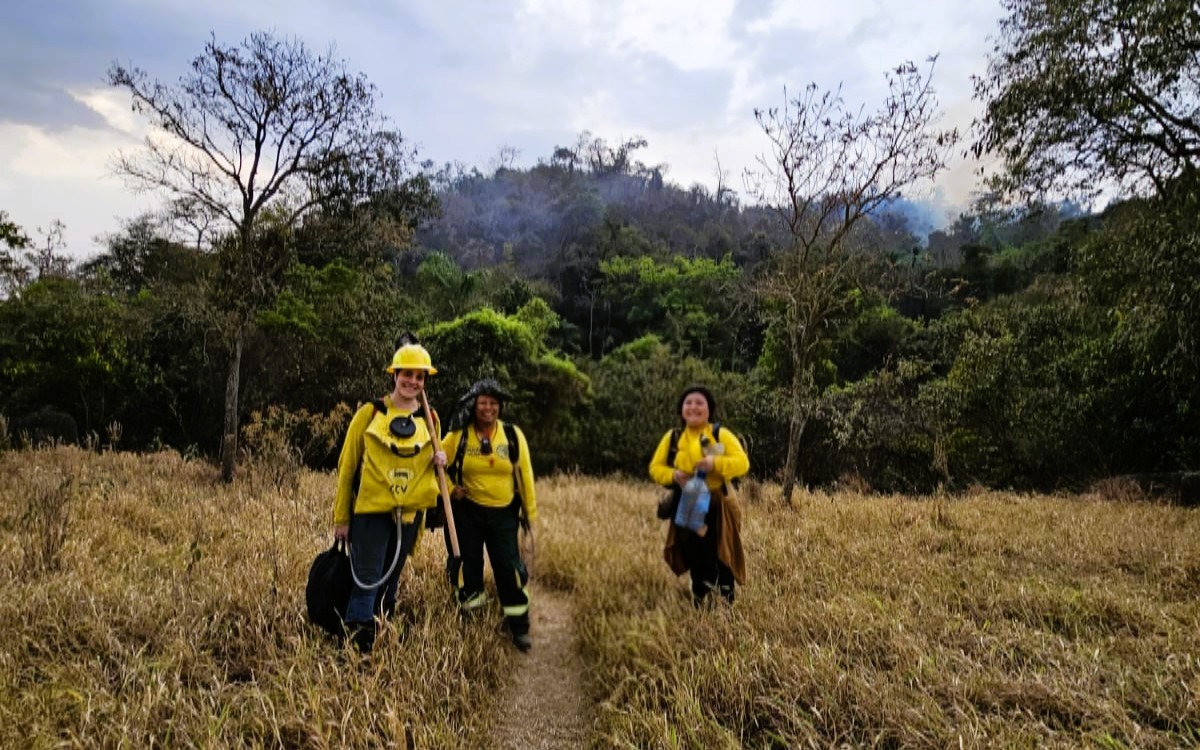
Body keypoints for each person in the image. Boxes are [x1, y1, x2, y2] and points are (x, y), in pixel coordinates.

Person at [331, 340, 447, 653]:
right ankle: (357, 650)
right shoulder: (370, 413)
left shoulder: (431, 419)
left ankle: (382, 637)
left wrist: (440, 463)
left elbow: (431, 471)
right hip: (371, 515)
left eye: (420, 377)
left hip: (407, 517)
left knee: (390, 581)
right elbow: (347, 467)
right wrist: (342, 518)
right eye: (406, 374)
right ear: (394, 375)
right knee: (367, 581)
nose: (413, 381)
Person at [441, 379, 538, 652]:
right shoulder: (459, 435)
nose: (488, 408)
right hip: (467, 513)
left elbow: (526, 476)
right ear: (473, 405)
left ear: (500, 407)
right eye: (483, 402)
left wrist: (530, 514)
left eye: (493, 403)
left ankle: (519, 627)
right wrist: (450, 489)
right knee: (469, 568)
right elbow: (435, 464)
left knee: (509, 570)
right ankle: (472, 623)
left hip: (504, 515)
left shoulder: (512, 436)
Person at [648, 385, 749, 605]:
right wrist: (673, 475)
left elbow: (742, 463)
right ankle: (700, 599)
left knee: (722, 553)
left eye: (699, 402)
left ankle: (726, 599)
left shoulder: (717, 434)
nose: (693, 407)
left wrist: (715, 462)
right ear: (681, 409)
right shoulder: (674, 438)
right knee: (694, 555)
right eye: (688, 402)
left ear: (709, 409)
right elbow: (655, 468)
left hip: (718, 505)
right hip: (687, 505)